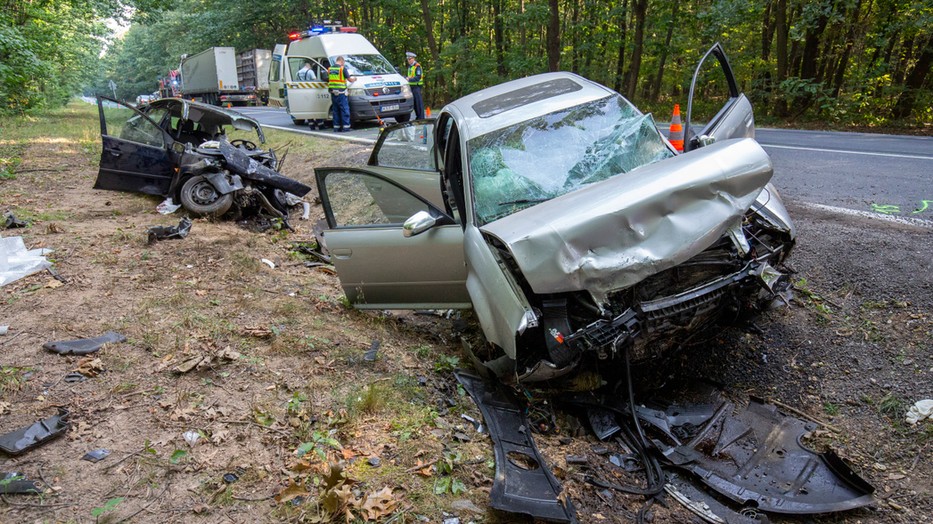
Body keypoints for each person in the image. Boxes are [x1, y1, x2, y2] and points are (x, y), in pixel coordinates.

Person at [328, 56, 356, 132]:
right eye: (343, 63)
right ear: (342, 61)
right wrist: (355, 79)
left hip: (333, 93)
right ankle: (346, 128)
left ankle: (336, 128)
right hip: (341, 93)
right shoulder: (342, 69)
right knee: (344, 110)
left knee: (335, 110)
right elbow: (350, 79)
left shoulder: (330, 69)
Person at [405, 51, 424, 119]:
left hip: (416, 86)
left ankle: (421, 117)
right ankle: (418, 116)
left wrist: (409, 79)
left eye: (410, 59)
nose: (409, 61)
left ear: (413, 58)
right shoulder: (410, 67)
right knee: (415, 103)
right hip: (411, 87)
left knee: (418, 103)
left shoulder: (417, 66)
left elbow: (418, 77)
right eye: (408, 59)